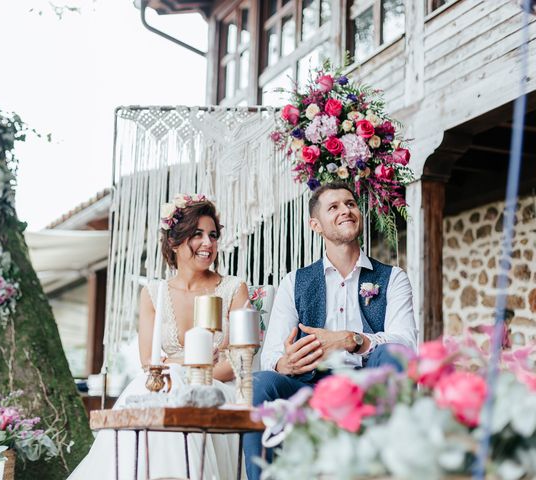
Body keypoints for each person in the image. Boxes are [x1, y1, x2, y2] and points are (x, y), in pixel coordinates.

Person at [243, 182, 418, 480]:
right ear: (316, 224)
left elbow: (406, 344)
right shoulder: (294, 282)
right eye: (333, 207)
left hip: (368, 382)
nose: (345, 210)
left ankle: (392, 469)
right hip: (310, 386)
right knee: (259, 382)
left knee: (393, 354)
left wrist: (353, 340)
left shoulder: (393, 278)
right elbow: (272, 354)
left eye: (350, 204)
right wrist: (286, 363)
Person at [69, 195, 249, 480]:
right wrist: (190, 362)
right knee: (149, 386)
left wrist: (179, 366)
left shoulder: (233, 288)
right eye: (197, 234)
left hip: (217, 389)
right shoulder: (154, 293)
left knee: (168, 384)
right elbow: (149, 364)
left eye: (213, 235)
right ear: (174, 242)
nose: (208, 243)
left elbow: (237, 363)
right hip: (163, 388)